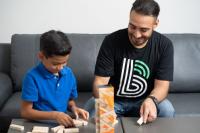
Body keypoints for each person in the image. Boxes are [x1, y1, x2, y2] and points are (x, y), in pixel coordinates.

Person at [85, 0, 175, 123]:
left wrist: (151, 100)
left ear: (155, 24)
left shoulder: (164, 45)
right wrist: (106, 106)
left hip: (144, 100)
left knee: (167, 109)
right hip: (112, 100)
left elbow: (162, 86)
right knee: (90, 110)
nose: (137, 35)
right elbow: (100, 81)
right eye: (132, 26)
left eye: (143, 30)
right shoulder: (111, 41)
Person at [21, 30, 89, 127]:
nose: (60, 67)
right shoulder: (32, 77)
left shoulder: (68, 74)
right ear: (41, 56)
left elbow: (69, 101)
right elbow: (25, 112)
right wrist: (55, 115)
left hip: (61, 125)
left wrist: (74, 108)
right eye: (55, 64)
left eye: (64, 62)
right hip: (38, 125)